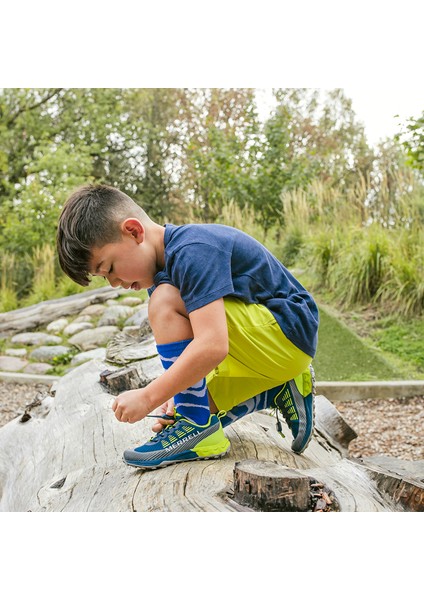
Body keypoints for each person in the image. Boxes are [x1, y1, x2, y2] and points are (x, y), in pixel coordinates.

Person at [57, 184, 319, 470]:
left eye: (108, 268)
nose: (113, 283)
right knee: (196, 407)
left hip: (288, 331)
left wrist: (148, 396)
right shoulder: (162, 274)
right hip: (268, 350)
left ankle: (196, 429)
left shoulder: (192, 250)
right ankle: (280, 389)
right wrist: (178, 395)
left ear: (134, 231)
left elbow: (213, 345)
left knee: (165, 301)